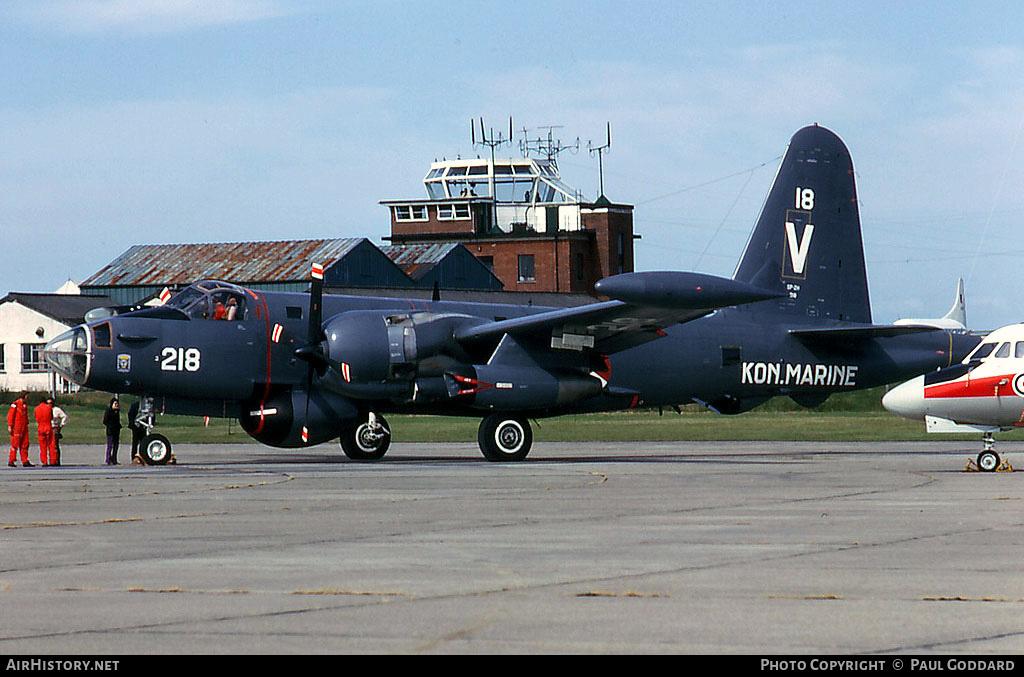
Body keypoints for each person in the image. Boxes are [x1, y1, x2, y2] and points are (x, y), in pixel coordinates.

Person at [7, 392, 32, 467]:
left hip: (24, 427)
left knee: (25, 444)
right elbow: (10, 415)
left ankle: (25, 460)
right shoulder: (15, 404)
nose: (28, 398)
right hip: (17, 427)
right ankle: (11, 460)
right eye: (27, 396)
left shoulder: (25, 405)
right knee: (15, 444)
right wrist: (10, 426)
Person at [34, 396, 56, 466]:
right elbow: (51, 417)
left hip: (40, 427)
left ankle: (44, 461)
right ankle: (53, 461)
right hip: (48, 426)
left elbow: (37, 418)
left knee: (42, 446)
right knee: (51, 445)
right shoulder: (49, 408)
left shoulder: (36, 409)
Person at [102, 398, 122, 465]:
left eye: (117, 404)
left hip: (116, 431)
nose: (116, 405)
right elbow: (105, 421)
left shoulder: (117, 412)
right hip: (110, 431)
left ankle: (114, 459)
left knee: (116, 446)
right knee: (110, 446)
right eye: (115, 404)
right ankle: (108, 460)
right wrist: (110, 426)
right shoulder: (108, 411)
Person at [51, 399, 68, 465]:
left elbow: (65, 416)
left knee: (55, 445)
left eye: (51, 403)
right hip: (47, 427)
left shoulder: (56, 410)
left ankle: (57, 461)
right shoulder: (46, 409)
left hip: (55, 428)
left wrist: (61, 425)